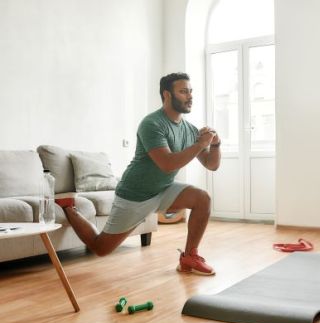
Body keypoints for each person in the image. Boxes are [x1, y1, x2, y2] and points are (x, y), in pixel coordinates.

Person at [59, 72, 221, 275]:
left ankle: (189, 257)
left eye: (190, 91)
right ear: (167, 95)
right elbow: (167, 164)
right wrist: (200, 144)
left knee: (202, 199)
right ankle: (69, 209)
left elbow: (211, 165)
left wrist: (215, 145)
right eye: (183, 91)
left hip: (163, 189)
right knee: (100, 248)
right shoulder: (152, 124)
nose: (190, 96)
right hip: (135, 194)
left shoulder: (189, 129)